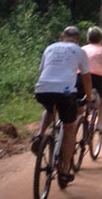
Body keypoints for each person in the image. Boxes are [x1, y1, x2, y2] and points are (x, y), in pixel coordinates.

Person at [31, 25, 94, 186]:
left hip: (42, 88)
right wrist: (89, 97)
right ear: (78, 40)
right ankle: (65, 172)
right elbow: (86, 78)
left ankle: (39, 135)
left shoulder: (50, 47)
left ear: (62, 37)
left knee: (49, 109)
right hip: (65, 92)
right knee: (69, 128)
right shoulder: (79, 51)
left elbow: (42, 70)